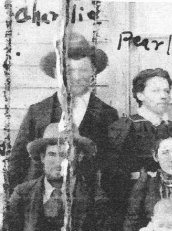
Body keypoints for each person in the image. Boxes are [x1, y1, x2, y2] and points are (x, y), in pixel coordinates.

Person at [7, 32, 118, 191]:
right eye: (69, 70)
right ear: (56, 73)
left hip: (88, 203)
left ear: (93, 73)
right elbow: (17, 164)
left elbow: (112, 169)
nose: (77, 77)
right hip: (41, 201)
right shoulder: (37, 112)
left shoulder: (107, 114)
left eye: (84, 70)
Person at [104, 68, 172, 217]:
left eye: (166, 91)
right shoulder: (124, 128)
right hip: (133, 208)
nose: (163, 96)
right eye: (155, 91)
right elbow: (111, 177)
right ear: (140, 94)